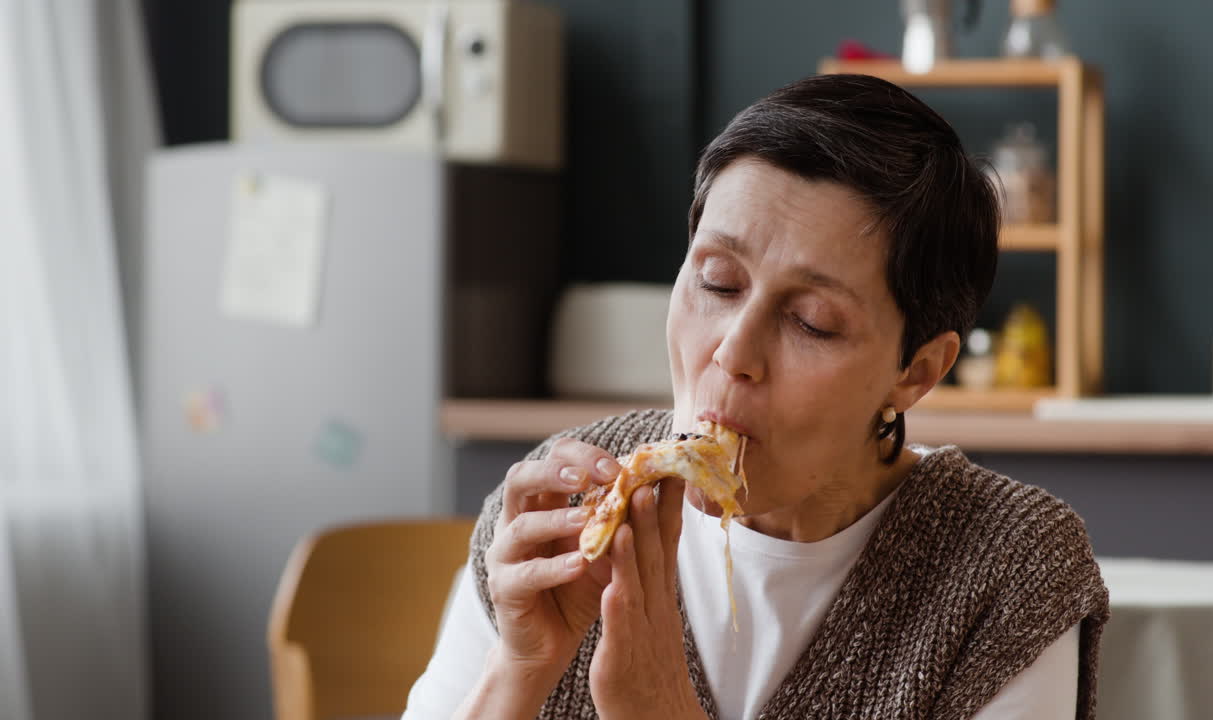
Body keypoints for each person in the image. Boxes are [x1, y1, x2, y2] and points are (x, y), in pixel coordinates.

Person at [403, 74, 1109, 720]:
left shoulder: (1007, 568)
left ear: (915, 373)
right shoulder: (558, 510)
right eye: (717, 281)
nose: (733, 352)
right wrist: (519, 671)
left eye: (812, 323)